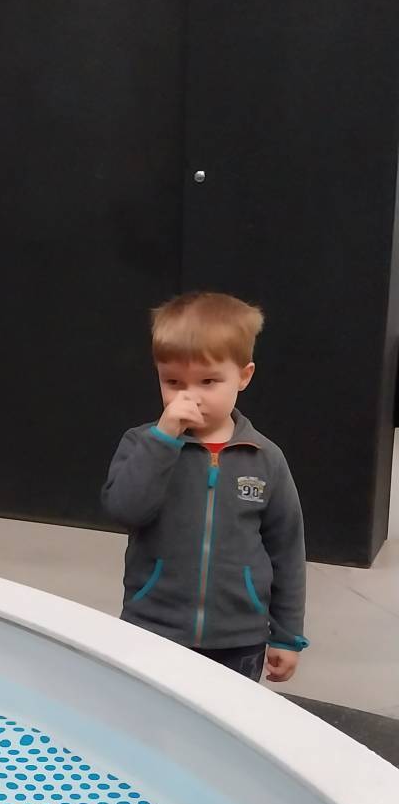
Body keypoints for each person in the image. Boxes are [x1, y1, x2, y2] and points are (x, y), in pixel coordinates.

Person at [101, 292, 308, 683]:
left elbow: (287, 549)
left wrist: (287, 634)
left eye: (208, 381)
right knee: (149, 715)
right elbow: (125, 510)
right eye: (173, 382)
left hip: (239, 639)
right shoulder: (142, 443)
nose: (189, 396)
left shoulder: (264, 458)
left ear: (244, 376)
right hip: (153, 628)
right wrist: (163, 439)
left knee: (226, 719)